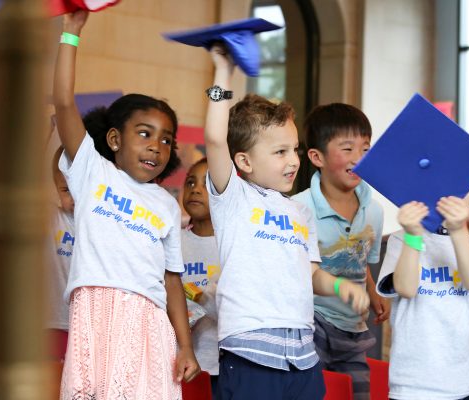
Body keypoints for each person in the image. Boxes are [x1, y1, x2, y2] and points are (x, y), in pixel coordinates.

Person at [204, 45, 370, 400]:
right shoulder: (233, 197)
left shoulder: (299, 211)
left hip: (302, 356)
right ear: (244, 161)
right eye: (280, 152)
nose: (293, 160)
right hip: (250, 353)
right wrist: (223, 71)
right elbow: (216, 138)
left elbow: (309, 274)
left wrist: (342, 288)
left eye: (294, 149)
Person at [53, 10, 199, 398]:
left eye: (167, 139)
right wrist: (71, 33)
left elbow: (172, 281)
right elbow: (64, 103)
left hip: (147, 321)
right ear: (115, 140)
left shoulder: (167, 206)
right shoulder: (93, 172)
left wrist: (185, 345)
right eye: (145, 133)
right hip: (95, 309)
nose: (157, 146)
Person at [292, 103, 387, 400]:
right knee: (314, 393)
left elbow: (362, 261)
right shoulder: (298, 209)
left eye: (366, 149)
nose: (359, 159)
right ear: (317, 157)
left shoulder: (374, 211)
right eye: (347, 149)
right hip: (311, 322)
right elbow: (296, 272)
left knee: (358, 393)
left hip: (353, 327)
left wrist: (372, 292)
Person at [377, 178, 469, 400]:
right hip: (413, 387)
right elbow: (406, 287)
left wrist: (457, 231)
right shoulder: (401, 239)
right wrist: (413, 236)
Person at [180, 158, 222, 395]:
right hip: (181, 360)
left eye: (207, 185)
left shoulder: (232, 246)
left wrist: (205, 300)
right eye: (190, 183)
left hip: (220, 363)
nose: (196, 189)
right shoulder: (174, 241)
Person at [46, 147, 75, 362]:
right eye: (66, 190)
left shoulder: (104, 223)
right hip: (54, 321)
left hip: (89, 325)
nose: (74, 197)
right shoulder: (53, 217)